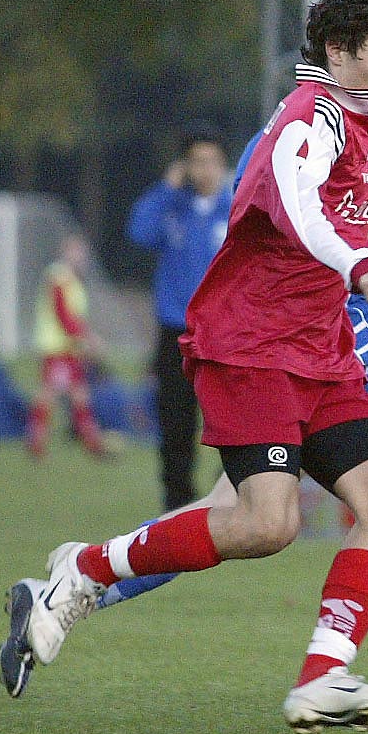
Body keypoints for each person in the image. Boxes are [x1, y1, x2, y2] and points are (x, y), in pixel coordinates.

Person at [0, 0, 368, 707]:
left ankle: (317, 678)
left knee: (327, 509)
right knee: (309, 503)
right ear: (344, 51)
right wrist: (359, 258)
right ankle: (87, 570)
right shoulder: (310, 119)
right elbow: (300, 204)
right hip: (273, 336)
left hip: (323, 341)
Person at [128, 130, 232, 510]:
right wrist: (166, 189)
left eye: (211, 162)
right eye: (196, 162)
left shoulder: (235, 209)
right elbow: (139, 233)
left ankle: (232, 498)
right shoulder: (173, 208)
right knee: (175, 421)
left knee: (231, 419)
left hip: (224, 332)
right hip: (175, 329)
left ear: (223, 165)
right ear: (185, 167)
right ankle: (176, 504)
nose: (203, 170)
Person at [26, 233, 108, 459]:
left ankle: (90, 442)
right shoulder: (59, 276)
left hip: (66, 347)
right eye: (77, 252)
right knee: (53, 394)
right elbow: (63, 313)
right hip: (58, 346)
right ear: (66, 252)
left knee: (73, 393)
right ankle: (38, 443)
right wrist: (88, 337)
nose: (81, 257)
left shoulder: (69, 278)